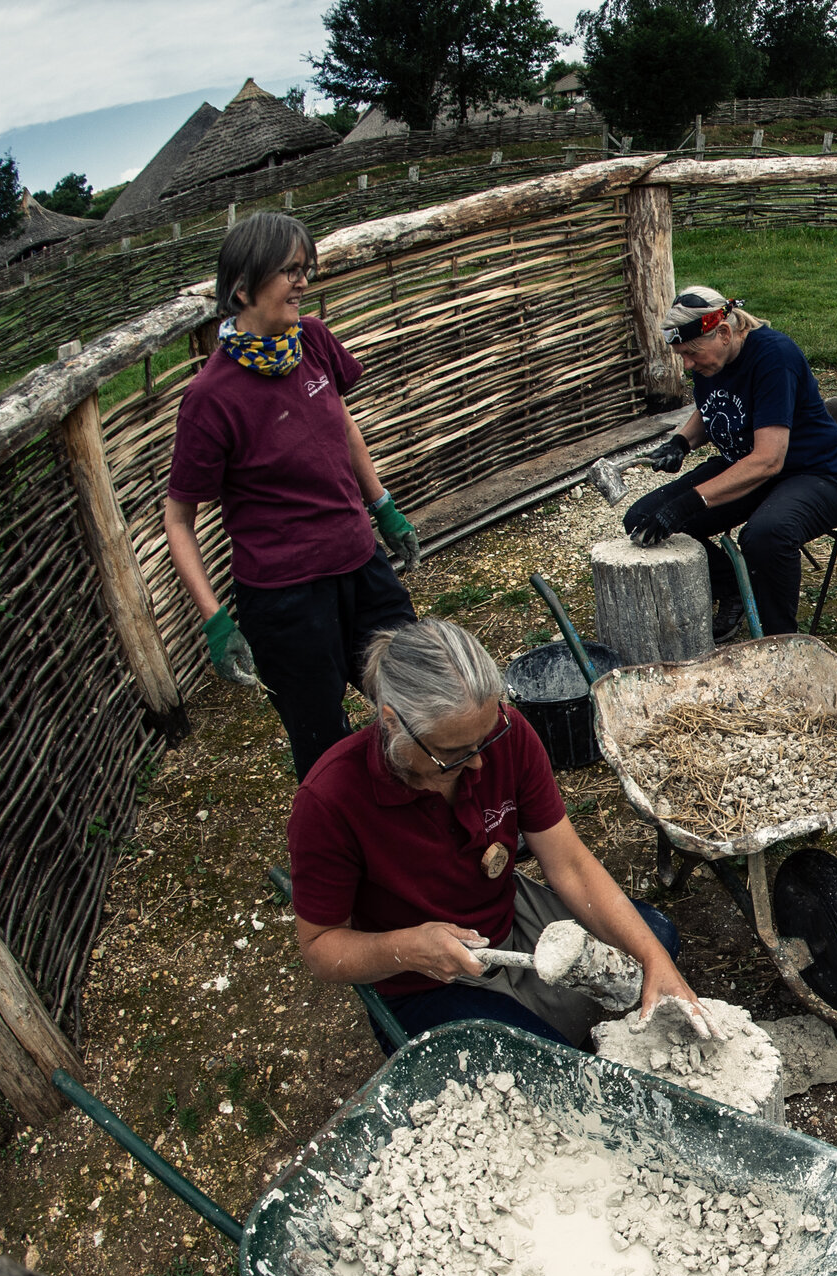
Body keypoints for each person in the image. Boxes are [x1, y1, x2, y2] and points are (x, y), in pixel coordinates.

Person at [287, 619, 699, 1050]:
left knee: (655, 940)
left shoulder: (508, 732)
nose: (480, 764)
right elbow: (320, 948)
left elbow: (570, 865)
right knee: (545, 1063)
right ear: (392, 723)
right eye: (453, 754)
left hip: (508, 920)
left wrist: (652, 958)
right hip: (424, 980)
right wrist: (408, 948)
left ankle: (550, 1023)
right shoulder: (329, 800)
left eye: (486, 739)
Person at [165, 211, 424, 780]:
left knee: (421, 694)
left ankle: (439, 814)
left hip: (362, 567)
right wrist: (215, 620)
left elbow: (344, 425)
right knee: (324, 744)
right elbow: (178, 519)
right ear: (242, 288)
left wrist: (384, 508)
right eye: (289, 271)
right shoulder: (211, 396)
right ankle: (350, 853)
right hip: (285, 601)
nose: (303, 282)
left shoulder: (312, 341)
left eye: (305, 269)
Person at [619, 287, 837, 641]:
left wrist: (690, 502)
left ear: (725, 333)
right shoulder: (712, 357)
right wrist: (682, 441)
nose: (687, 365)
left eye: (691, 354)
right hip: (753, 470)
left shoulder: (774, 357)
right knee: (644, 517)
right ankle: (731, 585)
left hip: (817, 475)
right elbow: (712, 404)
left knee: (765, 535)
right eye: (681, 355)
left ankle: (781, 643)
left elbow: (768, 460)